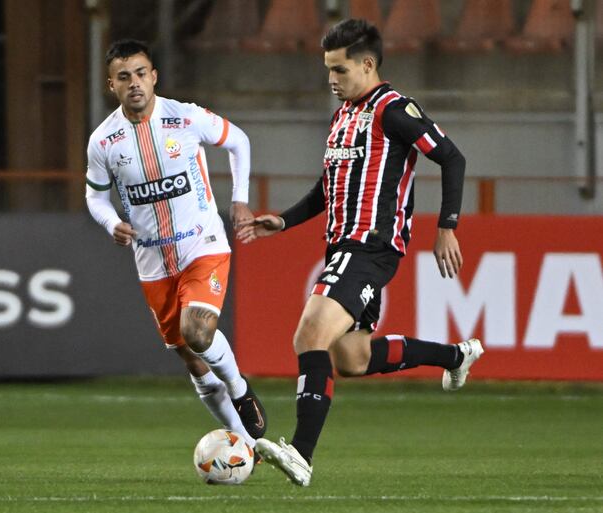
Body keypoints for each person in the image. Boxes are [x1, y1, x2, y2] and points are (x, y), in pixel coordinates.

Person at [237, 19, 484, 485]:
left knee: (308, 334)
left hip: (369, 246)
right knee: (351, 358)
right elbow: (326, 188)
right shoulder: (343, 116)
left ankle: (301, 454)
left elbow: (451, 157)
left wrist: (447, 227)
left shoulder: (392, 109)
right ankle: (455, 356)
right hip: (343, 247)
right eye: (327, 69)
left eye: (340, 69)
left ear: (367, 65)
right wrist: (284, 220)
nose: (331, 79)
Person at [85, 39, 267, 448]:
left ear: (154, 77)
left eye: (141, 74)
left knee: (198, 331)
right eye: (124, 77)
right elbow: (94, 196)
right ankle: (246, 447)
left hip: (202, 243)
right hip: (152, 260)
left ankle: (239, 389)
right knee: (188, 353)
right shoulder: (103, 141)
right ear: (111, 85)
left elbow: (238, 140)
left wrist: (239, 199)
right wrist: (111, 221)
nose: (134, 83)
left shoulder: (184, 118)